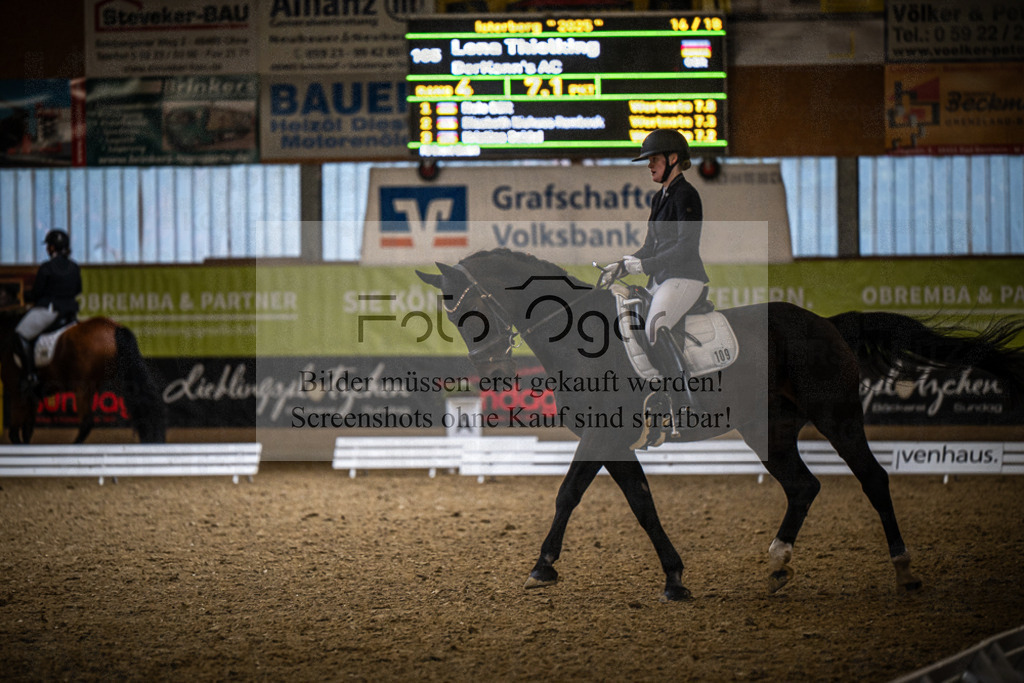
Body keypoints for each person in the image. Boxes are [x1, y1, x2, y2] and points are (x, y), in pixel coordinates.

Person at [599, 129, 710, 376]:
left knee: (655, 329)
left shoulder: (686, 194)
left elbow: (687, 246)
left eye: (653, 159)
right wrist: (620, 266)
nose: (649, 165)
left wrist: (646, 266)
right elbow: (650, 247)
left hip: (684, 278)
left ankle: (683, 394)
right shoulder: (659, 198)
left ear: (672, 159)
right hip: (661, 280)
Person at [12, 229, 81, 394]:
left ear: (52, 248)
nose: (47, 249)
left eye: (48, 246)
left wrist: (26, 295)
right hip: (70, 313)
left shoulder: (47, 267)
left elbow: (37, 293)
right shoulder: (74, 267)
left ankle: (30, 376)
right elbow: (78, 289)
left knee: (19, 334)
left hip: (50, 310)